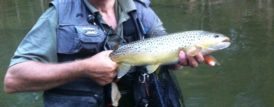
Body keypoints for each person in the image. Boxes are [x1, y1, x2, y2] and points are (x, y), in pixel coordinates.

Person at [4, 0, 204, 107]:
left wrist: (178, 61)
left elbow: (168, 55)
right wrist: (83, 68)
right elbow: (13, 80)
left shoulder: (141, 11)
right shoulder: (58, 14)